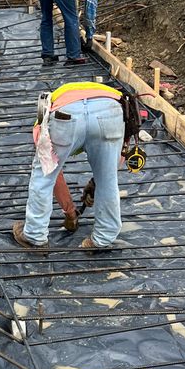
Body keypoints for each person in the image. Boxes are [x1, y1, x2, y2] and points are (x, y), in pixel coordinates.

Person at [12, 80, 125, 252]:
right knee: (108, 180)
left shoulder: (43, 121)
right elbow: (116, 160)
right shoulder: (122, 107)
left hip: (66, 113)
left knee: (43, 177)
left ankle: (35, 235)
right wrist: (96, 183)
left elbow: (51, 173)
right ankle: (102, 239)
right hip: (110, 110)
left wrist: (70, 213)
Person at [36, 0, 105, 66]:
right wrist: (89, 36)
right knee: (71, 19)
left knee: (46, 18)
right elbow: (89, 12)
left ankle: (48, 56)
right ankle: (74, 57)